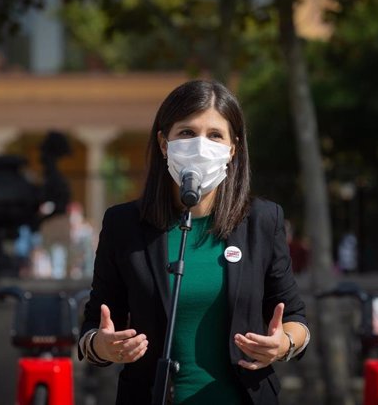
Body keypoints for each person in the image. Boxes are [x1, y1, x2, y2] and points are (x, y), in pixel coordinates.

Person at [78, 80, 310, 404]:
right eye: (186, 132)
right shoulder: (123, 225)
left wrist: (283, 344)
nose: (201, 146)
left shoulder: (262, 220)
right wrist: (100, 346)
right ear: (163, 143)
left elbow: (295, 319)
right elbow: (94, 326)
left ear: (232, 148)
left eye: (215, 135)